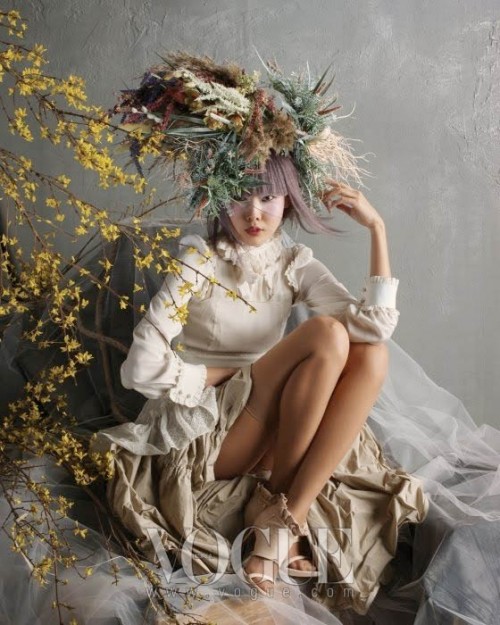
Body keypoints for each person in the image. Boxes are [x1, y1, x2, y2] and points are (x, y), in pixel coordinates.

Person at [93, 151, 428, 612]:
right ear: (219, 199)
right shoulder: (201, 258)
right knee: (327, 332)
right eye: (240, 198)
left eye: (268, 198)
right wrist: (226, 375)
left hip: (272, 425)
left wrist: (378, 229)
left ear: (288, 202)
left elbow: (373, 330)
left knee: (372, 356)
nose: (254, 213)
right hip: (211, 434)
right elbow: (140, 367)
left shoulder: (293, 262)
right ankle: (282, 524)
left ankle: (285, 518)